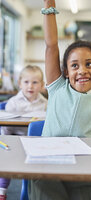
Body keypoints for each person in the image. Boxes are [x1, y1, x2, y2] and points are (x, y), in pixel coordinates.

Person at [28, 0, 91, 200]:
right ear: (66, 72)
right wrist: (49, 4)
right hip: (47, 168)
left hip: (85, 172)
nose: (82, 71)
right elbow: (51, 46)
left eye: (89, 64)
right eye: (75, 66)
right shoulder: (57, 87)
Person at [0, 65, 48, 200]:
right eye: (26, 82)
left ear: (42, 85)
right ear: (19, 83)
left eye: (35, 82)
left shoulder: (45, 104)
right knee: (5, 159)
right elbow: (6, 129)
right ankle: (2, 190)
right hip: (14, 140)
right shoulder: (13, 103)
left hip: (35, 141)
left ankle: (33, 191)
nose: (30, 86)